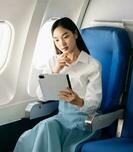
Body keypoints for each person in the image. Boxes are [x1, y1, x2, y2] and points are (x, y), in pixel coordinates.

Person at [14, 17, 102, 152]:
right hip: (62, 118)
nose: (61, 43)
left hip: (83, 122)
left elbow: (95, 103)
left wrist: (78, 101)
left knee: (47, 128)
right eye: (56, 39)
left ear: (75, 34)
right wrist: (56, 71)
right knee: (28, 137)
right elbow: (41, 95)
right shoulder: (53, 62)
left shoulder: (93, 65)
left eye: (65, 36)